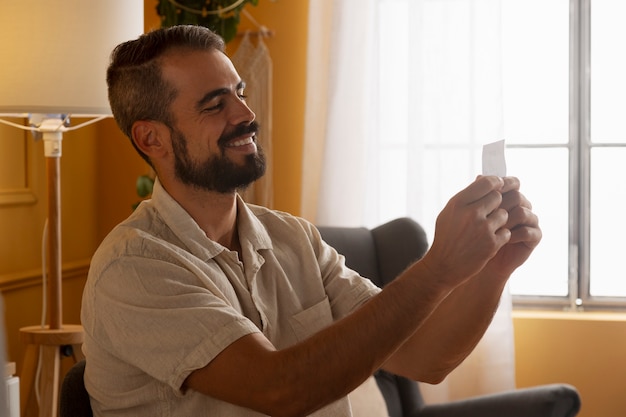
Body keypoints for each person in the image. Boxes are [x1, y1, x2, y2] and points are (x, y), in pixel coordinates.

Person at [81, 25, 541, 417]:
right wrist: (438, 266)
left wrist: (495, 267)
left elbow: (426, 359)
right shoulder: (133, 269)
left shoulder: (293, 238)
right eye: (215, 104)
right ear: (151, 138)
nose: (246, 114)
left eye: (240, 93)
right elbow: (280, 389)